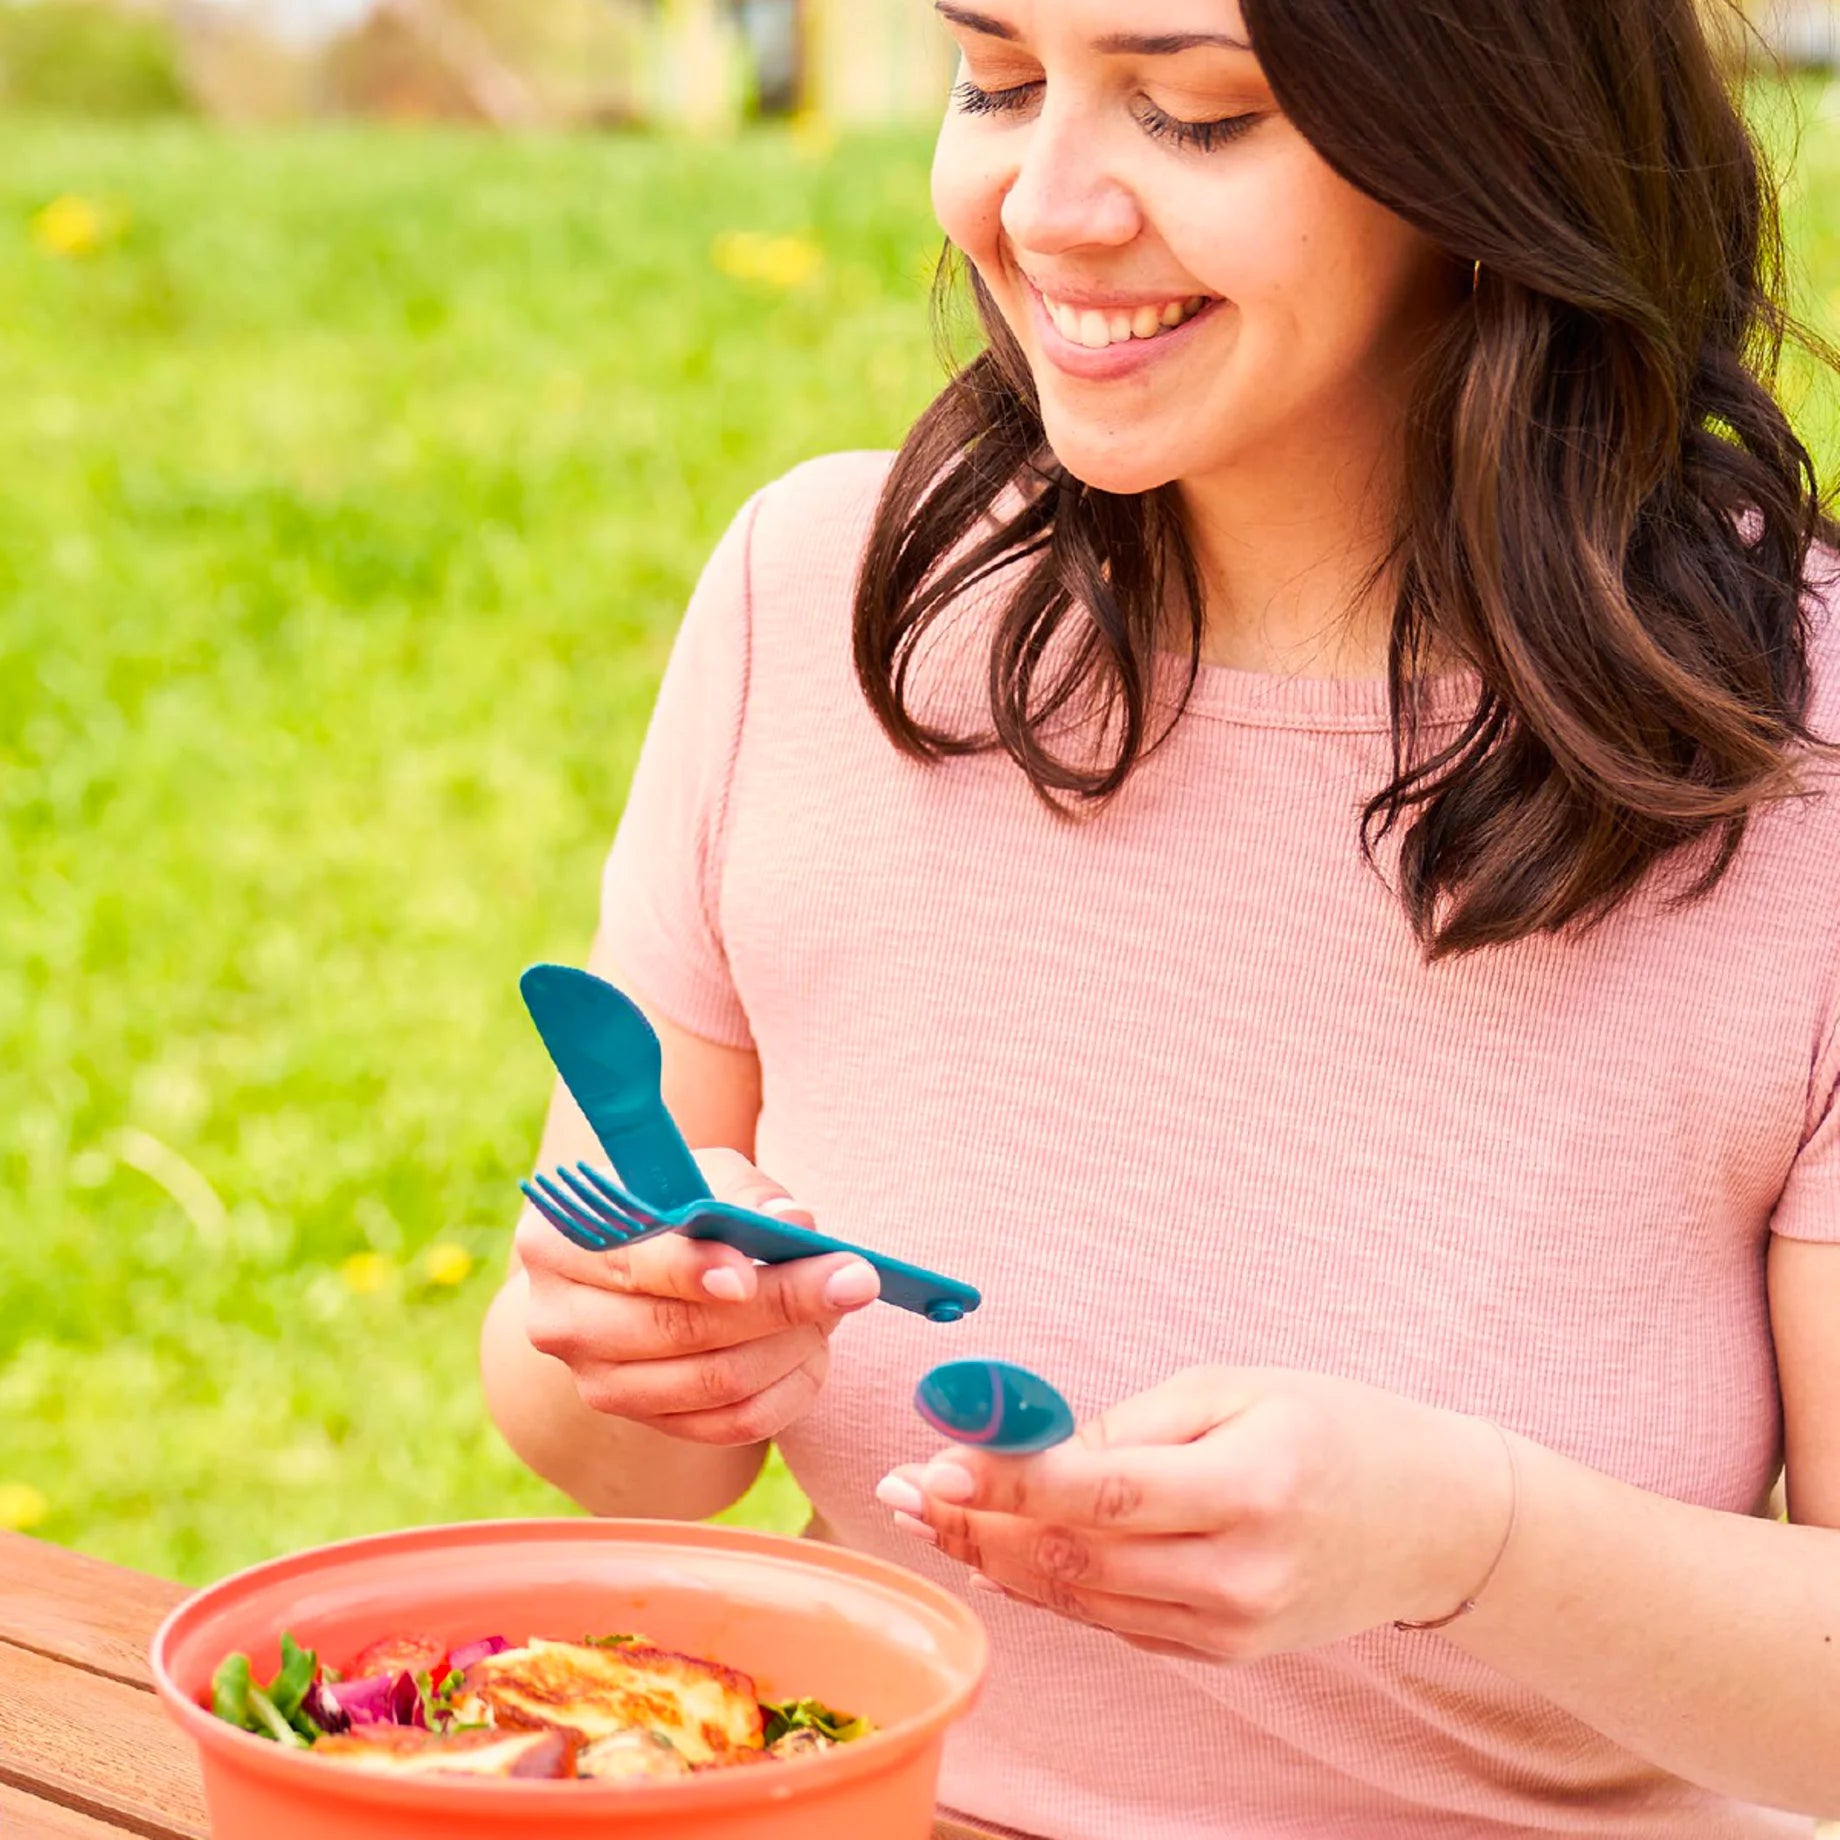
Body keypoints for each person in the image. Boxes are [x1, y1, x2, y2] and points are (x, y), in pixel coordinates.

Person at [479, 1, 1840, 1833]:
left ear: (1491, 145)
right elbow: (610, 1457)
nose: (1045, 210)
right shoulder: (820, 602)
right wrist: (653, 1346)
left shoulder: (1800, 747)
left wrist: (1472, 1539)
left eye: (1194, 114)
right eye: (999, 83)